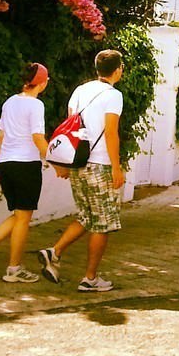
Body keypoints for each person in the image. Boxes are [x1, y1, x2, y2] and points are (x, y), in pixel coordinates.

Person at [36, 49, 125, 292]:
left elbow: (70, 129)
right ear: (118, 70)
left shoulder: (80, 91)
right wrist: (116, 167)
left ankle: (54, 252)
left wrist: (65, 163)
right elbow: (110, 132)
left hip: (78, 163)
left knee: (86, 216)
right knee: (102, 224)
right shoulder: (113, 96)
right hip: (100, 165)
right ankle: (90, 278)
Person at [0, 62, 50, 283]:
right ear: (42, 83)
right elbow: (37, 137)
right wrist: (55, 160)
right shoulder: (36, 106)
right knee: (24, 218)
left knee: (19, 214)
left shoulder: (9, 103)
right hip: (25, 164)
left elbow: (1, 136)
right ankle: (14, 269)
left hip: (7, 163)